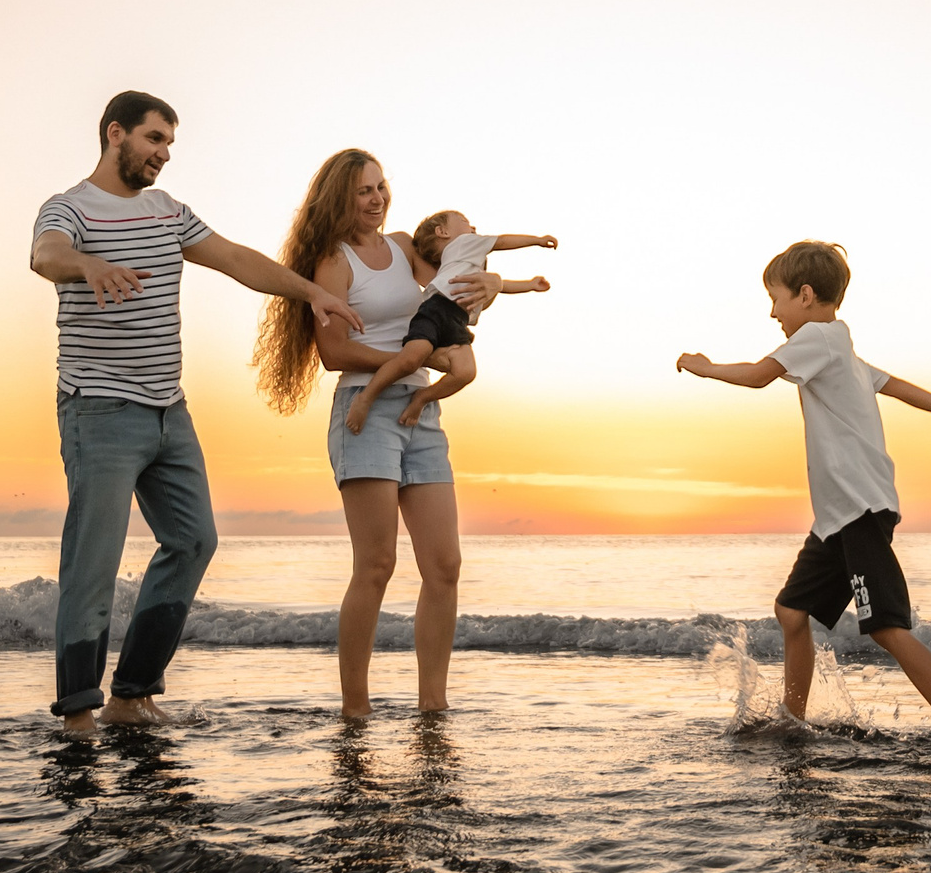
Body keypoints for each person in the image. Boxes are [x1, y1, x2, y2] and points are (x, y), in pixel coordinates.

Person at [29, 91, 360, 736]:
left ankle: (132, 695)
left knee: (194, 539)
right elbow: (46, 255)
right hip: (99, 408)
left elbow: (236, 259)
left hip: (168, 411)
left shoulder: (168, 212)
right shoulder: (69, 207)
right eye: (154, 139)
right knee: (93, 560)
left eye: (170, 144)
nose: (163, 154)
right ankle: (78, 713)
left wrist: (311, 292)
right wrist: (89, 265)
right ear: (115, 133)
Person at [676, 239, 931, 753]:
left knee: (887, 628)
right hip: (837, 517)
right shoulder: (841, 348)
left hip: (859, 509)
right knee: (791, 611)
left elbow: (760, 376)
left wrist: (707, 367)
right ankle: (792, 720)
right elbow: (896, 385)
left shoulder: (817, 338)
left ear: (806, 295)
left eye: (776, 299)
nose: (773, 313)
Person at [254, 150, 499, 720]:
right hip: (364, 413)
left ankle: (433, 706)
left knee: (445, 565)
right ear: (341, 197)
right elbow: (334, 351)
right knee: (376, 565)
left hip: (420, 411)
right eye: (364, 190)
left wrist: (489, 281)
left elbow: (454, 277)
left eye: (381, 187)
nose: (377, 199)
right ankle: (355, 709)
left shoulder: (405, 248)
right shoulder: (333, 261)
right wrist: (411, 358)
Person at [343, 211, 557, 434]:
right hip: (436, 311)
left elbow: (500, 286)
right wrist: (537, 240)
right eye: (465, 222)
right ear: (442, 232)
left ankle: (422, 397)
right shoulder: (464, 243)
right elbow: (502, 241)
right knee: (411, 359)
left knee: (465, 372)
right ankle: (366, 397)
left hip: (457, 320)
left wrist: (530, 285)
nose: (473, 227)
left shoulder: (466, 259)